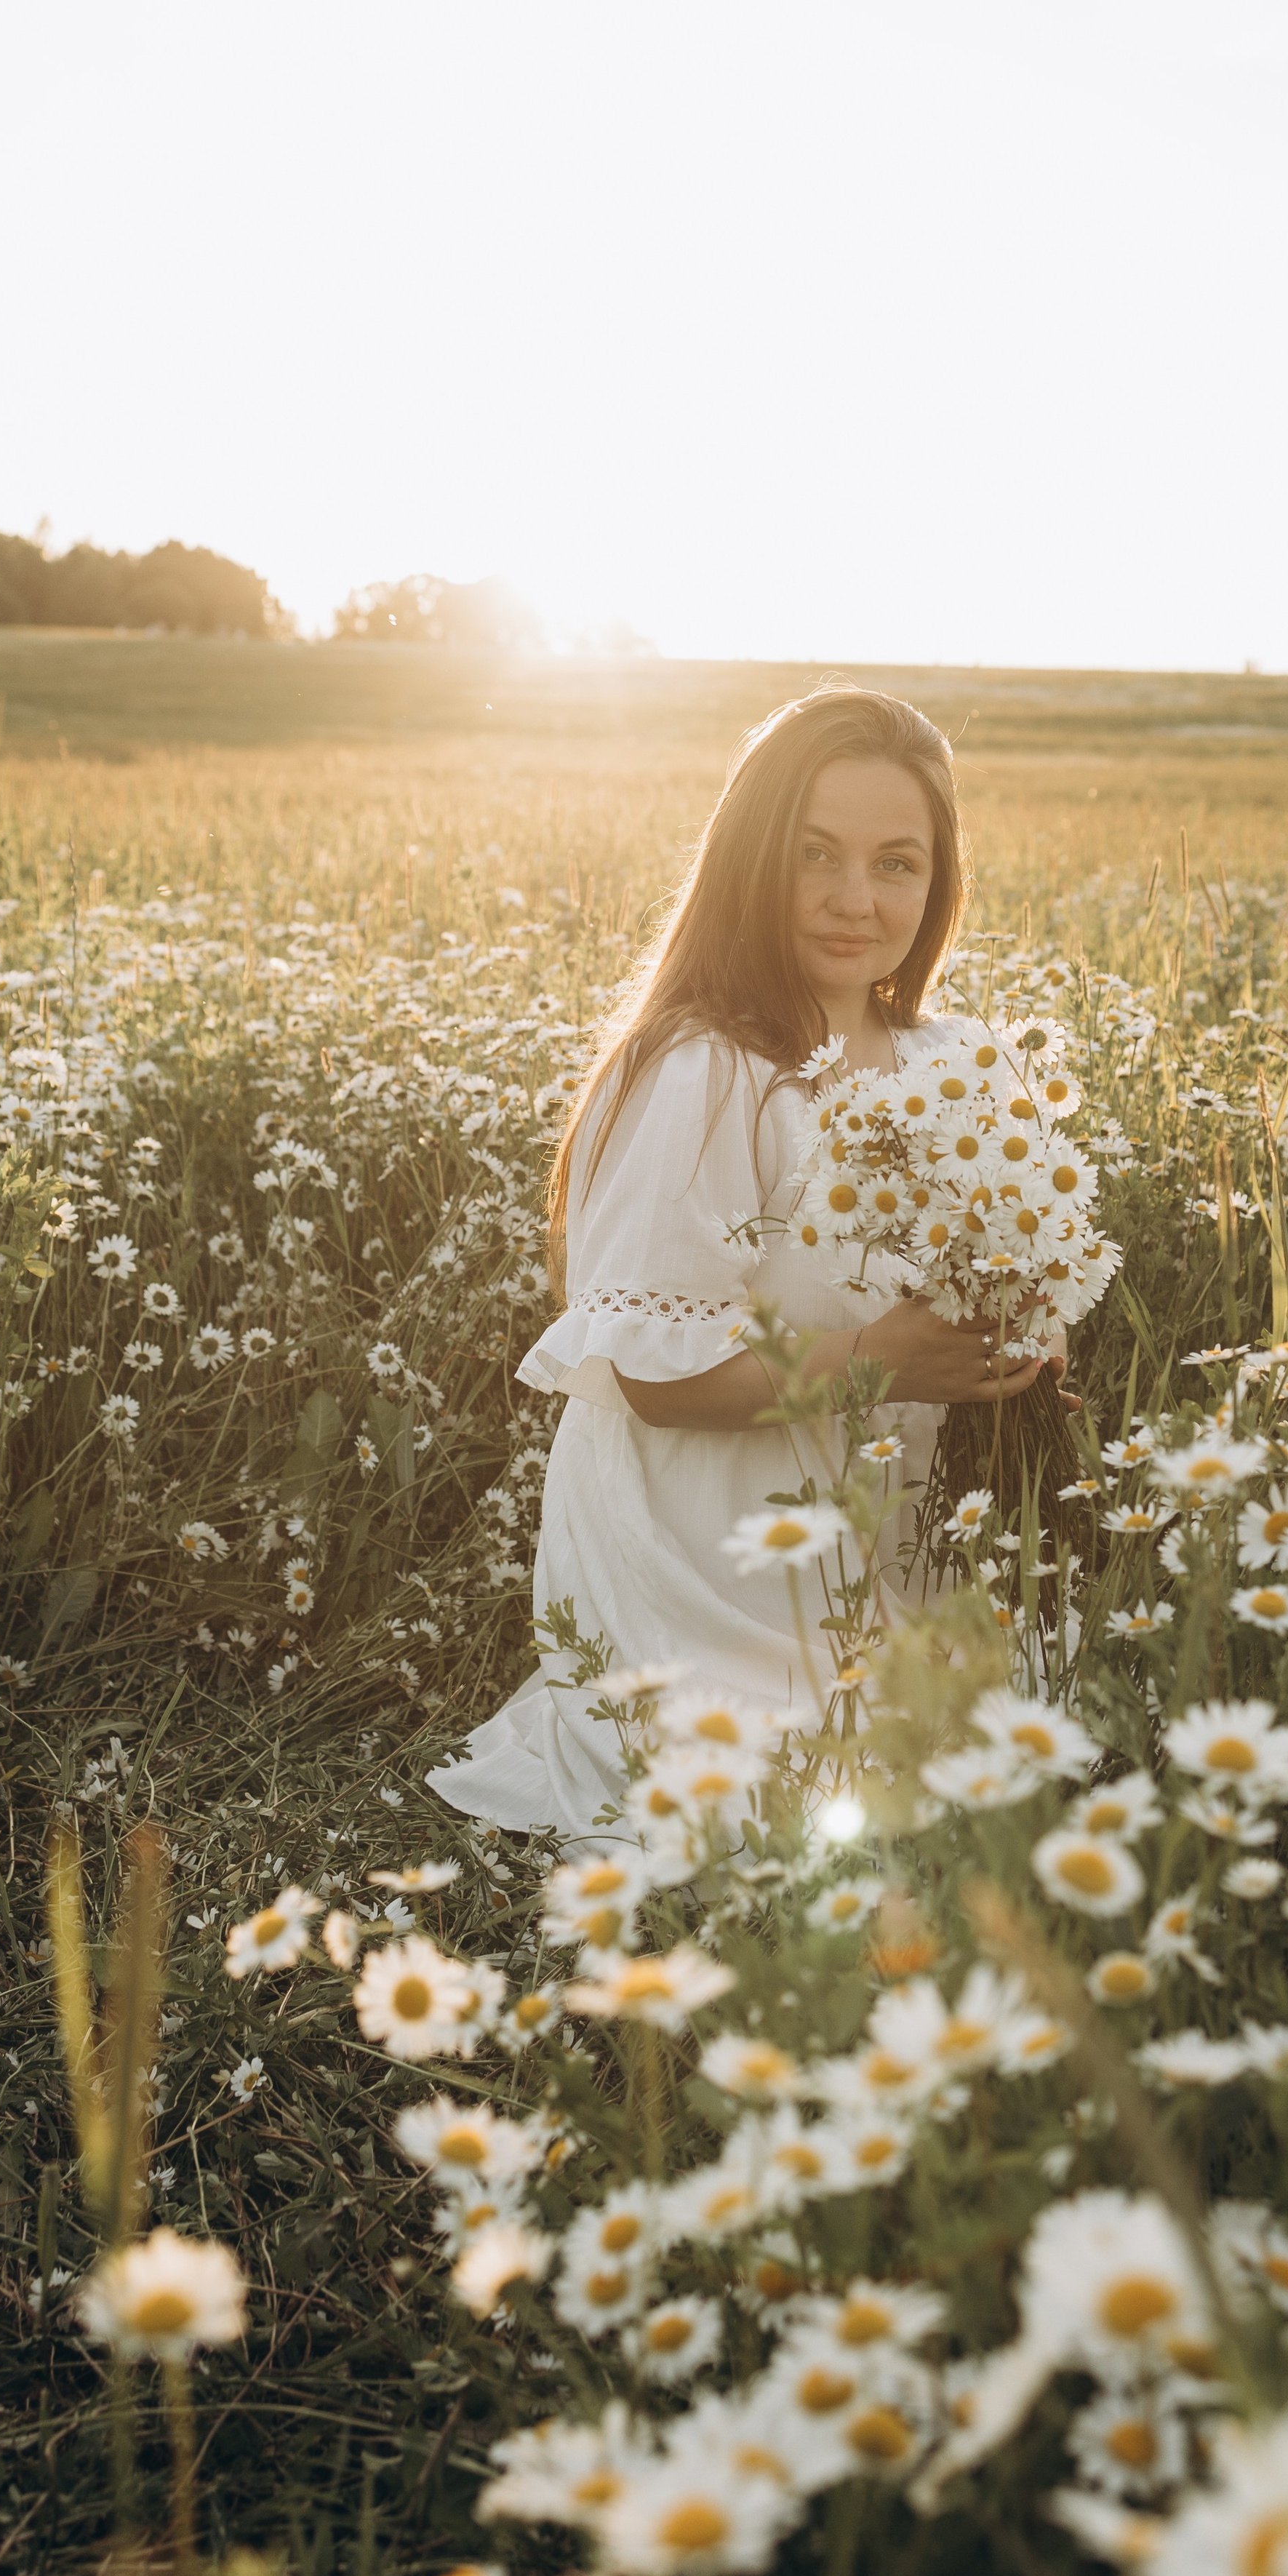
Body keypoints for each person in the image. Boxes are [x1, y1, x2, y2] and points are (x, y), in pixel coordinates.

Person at [427, 685, 1060, 1840]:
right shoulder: (703, 1076)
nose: (854, 900)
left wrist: (1015, 1331)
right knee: (793, 1799)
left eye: (897, 864)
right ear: (750, 858)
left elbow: (1021, 1265)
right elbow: (657, 1383)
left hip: (887, 1532)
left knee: (1036, 1735)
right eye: (814, 854)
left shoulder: (965, 1060)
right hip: (707, 1550)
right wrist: (884, 1362)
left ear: (939, 882)